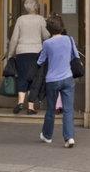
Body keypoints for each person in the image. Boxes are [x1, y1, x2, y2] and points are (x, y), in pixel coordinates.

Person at [37, 14, 78, 148]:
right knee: (68, 110)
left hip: (52, 80)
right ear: (62, 27)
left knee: (50, 109)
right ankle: (69, 137)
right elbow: (75, 56)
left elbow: (41, 60)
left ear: (48, 29)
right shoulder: (69, 40)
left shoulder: (47, 43)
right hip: (67, 77)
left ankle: (47, 135)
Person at [7, 0, 50, 115]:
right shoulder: (40, 19)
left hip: (22, 52)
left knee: (22, 76)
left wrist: (11, 53)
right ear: (37, 7)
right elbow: (46, 36)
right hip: (36, 52)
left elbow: (14, 38)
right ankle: (31, 107)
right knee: (34, 78)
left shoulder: (20, 20)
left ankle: (20, 102)